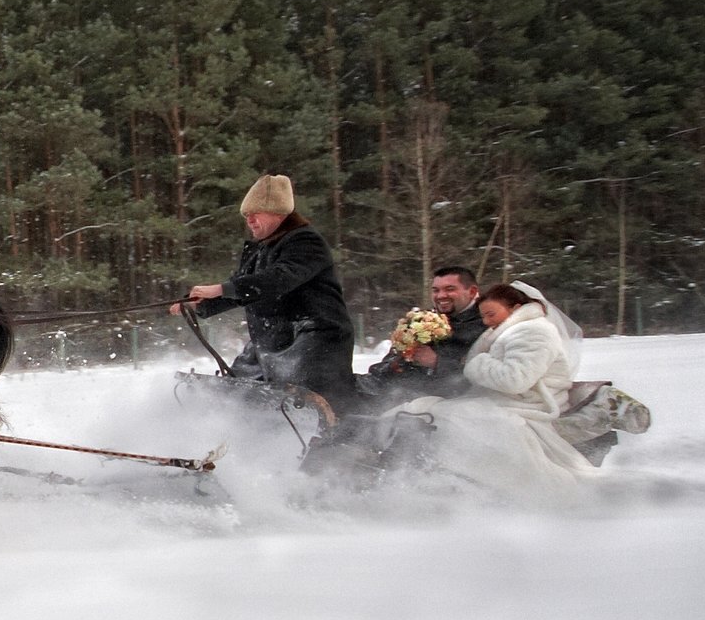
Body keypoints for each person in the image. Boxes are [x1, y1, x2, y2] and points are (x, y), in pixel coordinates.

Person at [390, 281, 598, 494]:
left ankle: (445, 484)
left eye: (491, 314)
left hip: (528, 407)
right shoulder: (509, 330)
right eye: (483, 316)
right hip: (504, 402)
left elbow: (515, 379)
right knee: (420, 410)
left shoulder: (535, 332)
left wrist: (477, 363)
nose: (486, 322)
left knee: (434, 416)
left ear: (516, 308)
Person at [173, 174, 357, 408]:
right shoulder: (262, 248)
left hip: (313, 341)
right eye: (246, 215)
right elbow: (245, 287)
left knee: (309, 405)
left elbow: (277, 280)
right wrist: (199, 304)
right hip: (271, 342)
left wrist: (221, 288)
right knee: (236, 392)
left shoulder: (305, 241)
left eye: (255, 213)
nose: (249, 220)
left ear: (278, 213)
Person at [363, 265, 487, 398]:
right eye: (435, 290)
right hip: (387, 386)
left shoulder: (485, 323)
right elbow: (386, 365)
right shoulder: (423, 319)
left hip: (427, 398)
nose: (441, 296)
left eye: (450, 289)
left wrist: (436, 362)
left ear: (472, 292)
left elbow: (480, 377)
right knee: (341, 386)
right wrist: (398, 359)